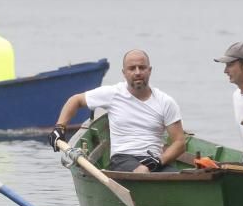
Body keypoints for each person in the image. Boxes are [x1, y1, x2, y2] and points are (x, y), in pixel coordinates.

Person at [49, 49, 185, 172]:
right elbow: (75, 100)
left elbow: (179, 142)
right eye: (132, 68)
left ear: (149, 70)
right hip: (122, 159)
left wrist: (159, 160)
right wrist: (60, 128)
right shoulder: (113, 94)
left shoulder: (165, 102)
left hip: (154, 160)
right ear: (124, 73)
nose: (137, 72)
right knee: (142, 172)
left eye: (142, 68)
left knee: (177, 178)